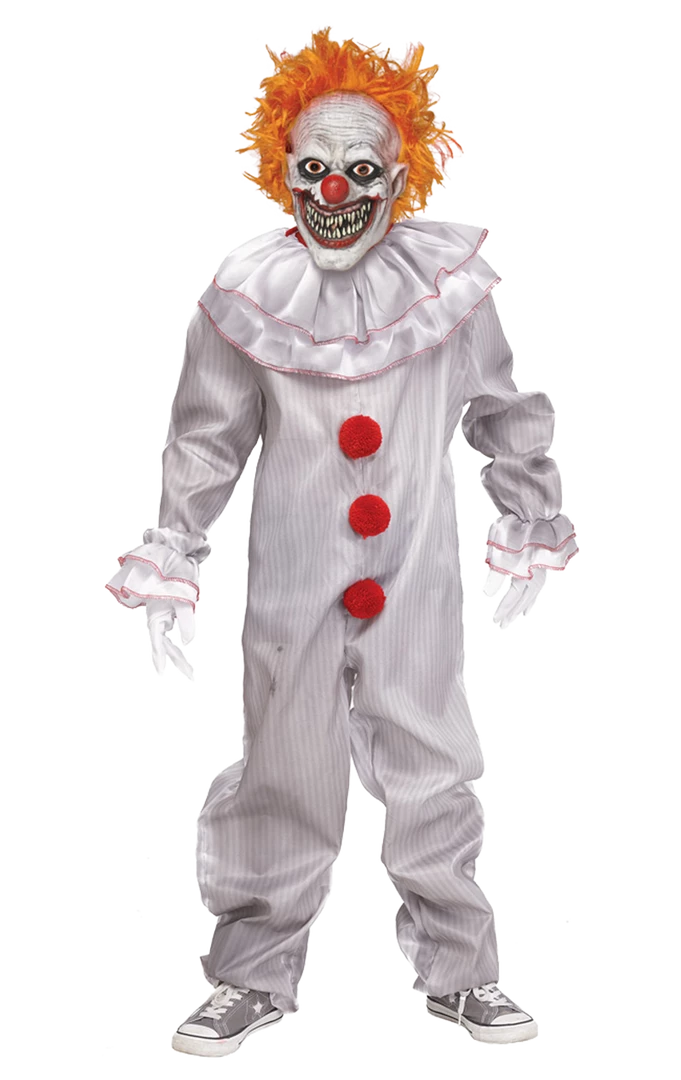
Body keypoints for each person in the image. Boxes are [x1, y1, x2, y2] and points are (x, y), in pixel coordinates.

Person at [105, 29, 577, 1055]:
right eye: (313, 167)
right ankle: (247, 975)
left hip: (416, 575)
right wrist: (174, 552)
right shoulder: (244, 293)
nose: (334, 190)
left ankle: (463, 973)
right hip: (293, 575)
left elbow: (504, 408)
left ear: (401, 178)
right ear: (281, 170)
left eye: (360, 170)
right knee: (282, 765)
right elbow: (203, 440)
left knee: (434, 758)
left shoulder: (450, 288)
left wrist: (529, 516)